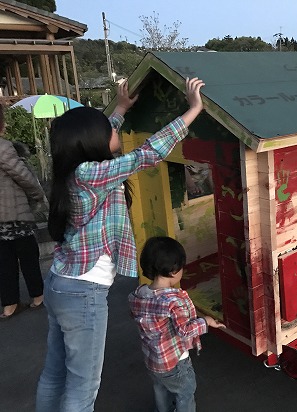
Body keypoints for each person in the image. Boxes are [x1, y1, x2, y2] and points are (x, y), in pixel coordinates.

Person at [35, 77, 205, 412]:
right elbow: (148, 153)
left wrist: (121, 110)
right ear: (93, 141)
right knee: (84, 386)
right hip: (83, 292)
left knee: (55, 374)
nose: (115, 131)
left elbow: (102, 136)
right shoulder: (92, 173)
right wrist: (194, 109)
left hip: (60, 282)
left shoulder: (75, 168)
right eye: (108, 128)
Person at [129, 236, 225, 412]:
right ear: (174, 271)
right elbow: (185, 331)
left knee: (160, 388)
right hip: (175, 363)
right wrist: (206, 322)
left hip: (152, 360)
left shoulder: (138, 295)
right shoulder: (173, 301)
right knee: (185, 392)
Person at [0, 106, 48, 320]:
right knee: (28, 255)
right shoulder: (3, 147)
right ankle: (38, 296)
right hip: (14, 212)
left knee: (4, 260)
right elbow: (23, 175)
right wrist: (39, 194)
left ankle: (9, 305)